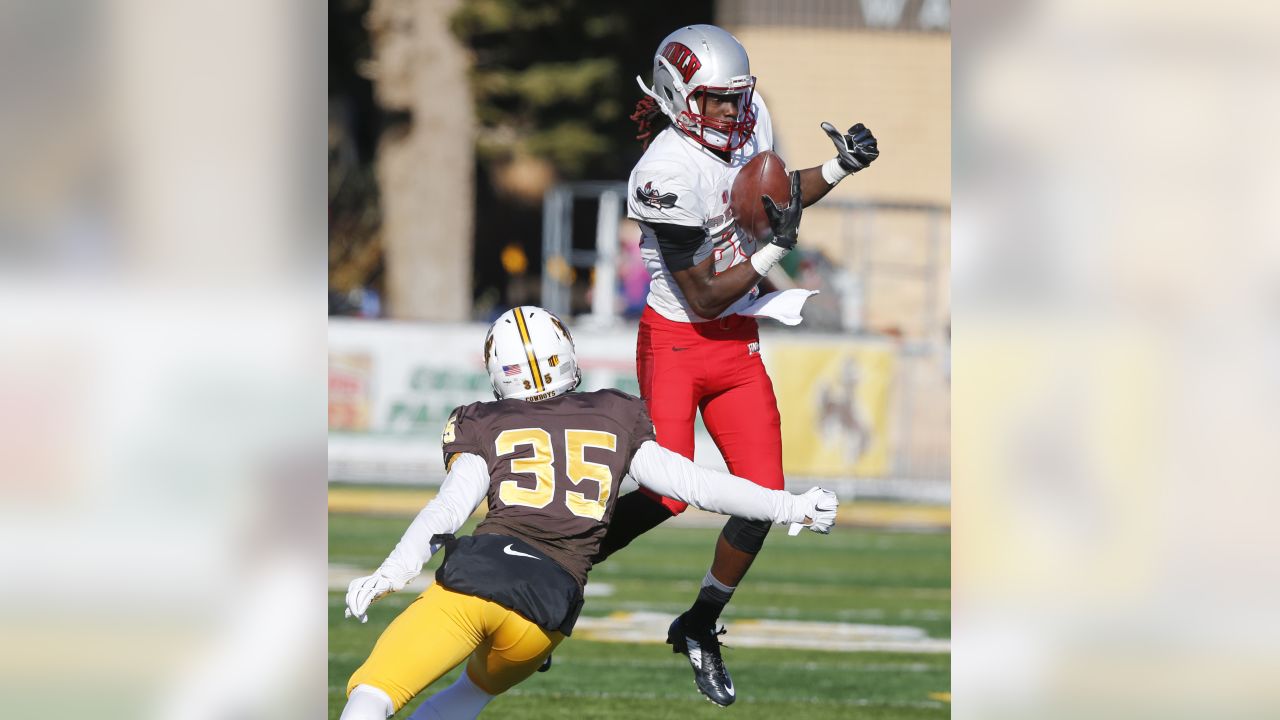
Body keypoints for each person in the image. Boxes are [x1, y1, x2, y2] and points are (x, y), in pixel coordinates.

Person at [337, 305, 839, 720]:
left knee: (373, 696)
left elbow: (447, 510)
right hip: (548, 610)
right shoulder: (612, 414)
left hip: (476, 579)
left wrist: (393, 571)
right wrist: (789, 505)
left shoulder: (484, 422)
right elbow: (696, 484)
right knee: (470, 694)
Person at [591, 24, 881, 706]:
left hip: (738, 340)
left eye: (736, 98)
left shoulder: (751, 125)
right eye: (716, 101)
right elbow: (701, 291)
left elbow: (773, 198)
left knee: (763, 498)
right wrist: (774, 252)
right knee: (666, 493)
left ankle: (699, 624)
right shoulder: (663, 172)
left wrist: (838, 168)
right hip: (680, 339)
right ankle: (560, 564)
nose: (731, 113)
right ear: (676, 97)